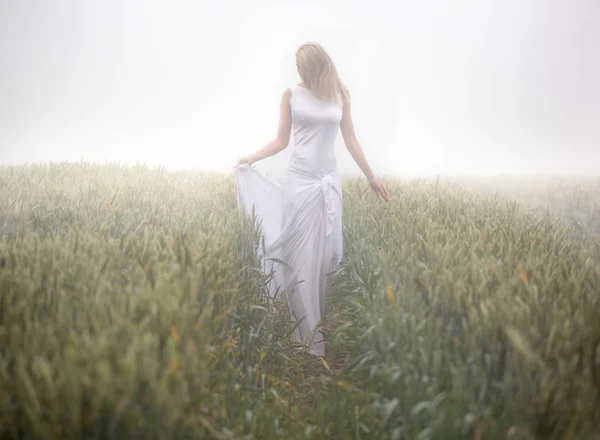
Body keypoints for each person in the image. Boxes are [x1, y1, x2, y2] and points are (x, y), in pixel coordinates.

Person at [233, 42, 389, 357]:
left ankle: (314, 319)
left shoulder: (341, 94)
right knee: (297, 253)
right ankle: (302, 332)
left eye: (303, 67)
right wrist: (249, 158)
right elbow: (280, 140)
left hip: (328, 182)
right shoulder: (291, 94)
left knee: (329, 254)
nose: (299, 73)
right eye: (297, 68)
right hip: (299, 180)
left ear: (317, 65)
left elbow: (351, 139)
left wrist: (371, 176)